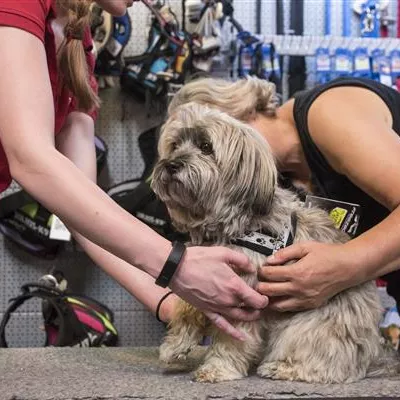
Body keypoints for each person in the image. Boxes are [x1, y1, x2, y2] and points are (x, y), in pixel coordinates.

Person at [0, 0, 269, 341]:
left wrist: (170, 302)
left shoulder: (78, 44)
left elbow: (85, 211)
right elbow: (30, 156)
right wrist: (176, 265)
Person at [159, 74, 400, 322]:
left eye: (205, 145)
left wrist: (342, 266)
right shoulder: (277, 187)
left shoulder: (329, 114)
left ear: (238, 110)